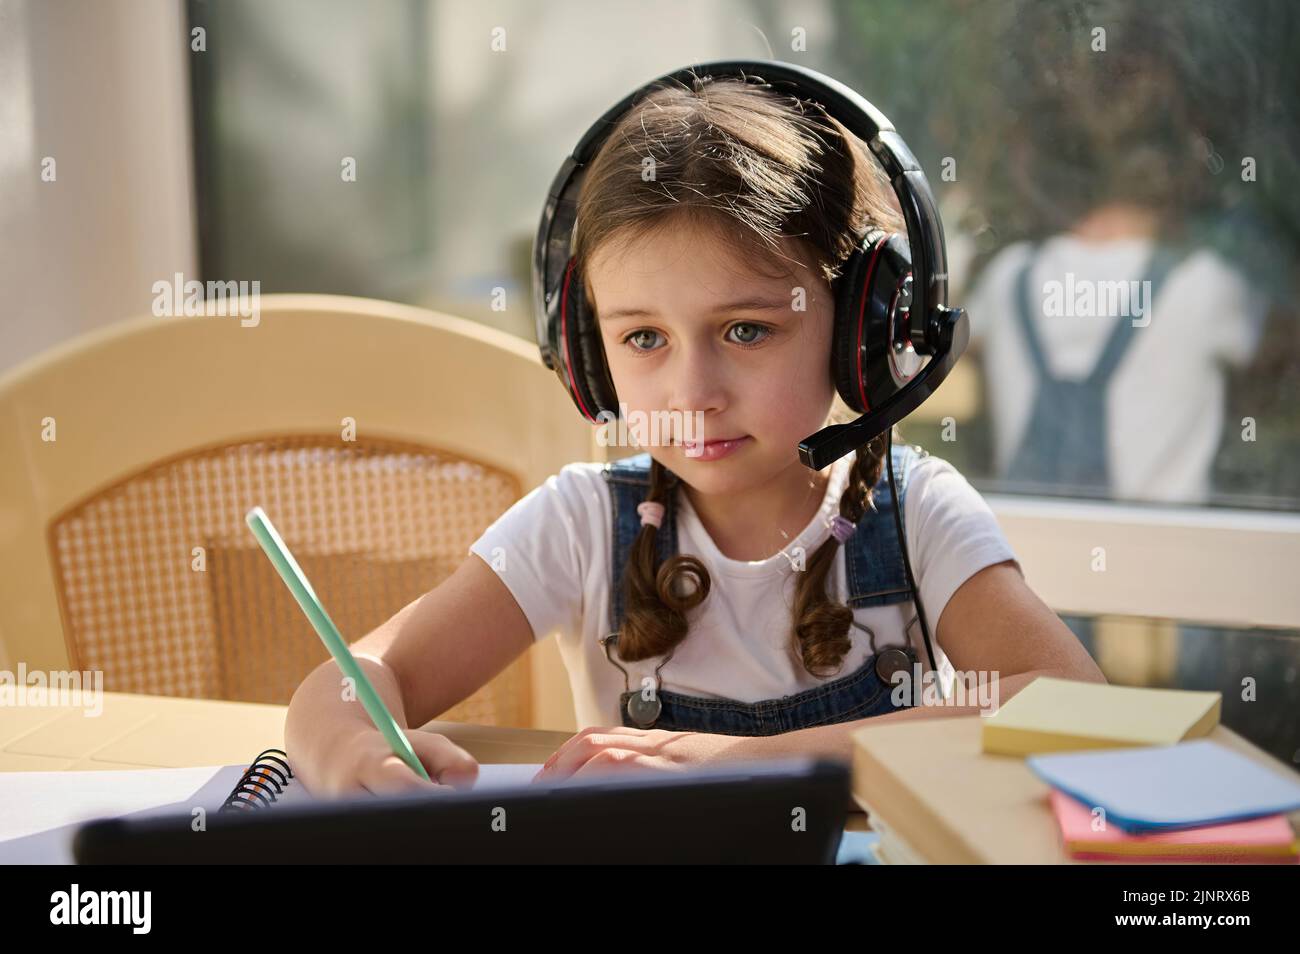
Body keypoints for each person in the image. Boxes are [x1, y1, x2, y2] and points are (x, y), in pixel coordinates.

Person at [285, 73, 1103, 797]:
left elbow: (1074, 702)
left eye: (747, 331)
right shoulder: (577, 523)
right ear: (586, 350)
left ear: (864, 328)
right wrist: (351, 746)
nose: (694, 394)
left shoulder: (916, 511)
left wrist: (751, 759)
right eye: (643, 338)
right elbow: (358, 679)